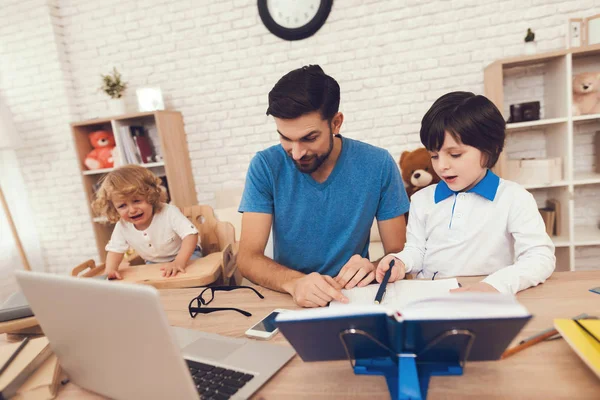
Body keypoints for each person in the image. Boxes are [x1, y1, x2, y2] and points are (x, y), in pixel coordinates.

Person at [237, 65, 410, 307]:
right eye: (285, 138)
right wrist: (295, 283)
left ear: (336, 123)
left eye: (309, 138)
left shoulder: (378, 164)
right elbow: (247, 258)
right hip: (290, 296)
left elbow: (399, 252)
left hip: (355, 297)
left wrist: (372, 267)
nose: (296, 153)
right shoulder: (265, 166)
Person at [376, 91, 555, 294]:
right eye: (434, 156)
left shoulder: (514, 198)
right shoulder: (422, 199)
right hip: (430, 299)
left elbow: (539, 256)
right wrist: (401, 261)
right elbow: (416, 250)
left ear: (490, 149)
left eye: (455, 154)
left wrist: (496, 285)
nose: (442, 166)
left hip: (486, 298)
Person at [91, 165, 201, 279]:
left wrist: (179, 261)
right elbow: (115, 251)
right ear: (114, 208)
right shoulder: (122, 226)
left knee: (190, 278)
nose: (132, 210)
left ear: (151, 196)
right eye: (122, 206)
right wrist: (110, 270)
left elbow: (190, 235)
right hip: (153, 263)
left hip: (186, 255)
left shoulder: (168, 212)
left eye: (137, 201)